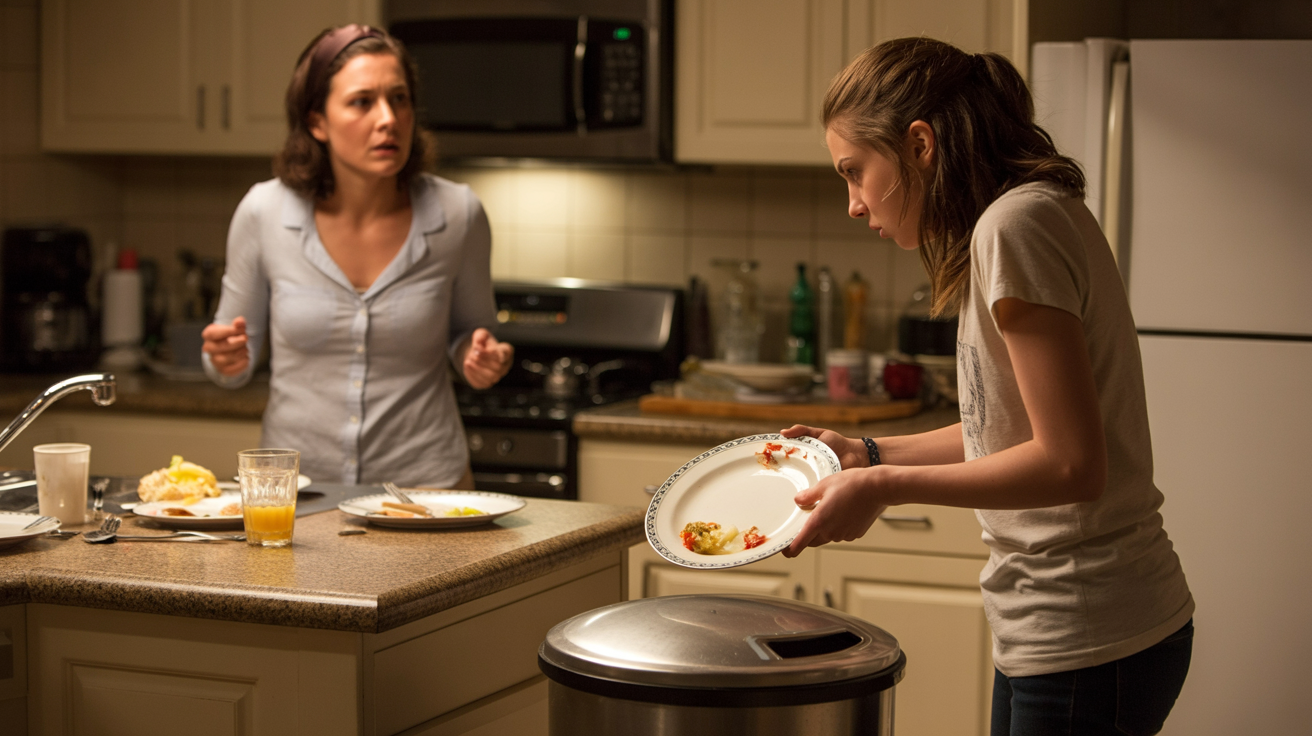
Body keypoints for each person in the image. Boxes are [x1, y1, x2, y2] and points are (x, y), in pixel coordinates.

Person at [784, 38, 1194, 735]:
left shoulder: (1015, 226)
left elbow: (1071, 464)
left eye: (855, 171)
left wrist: (884, 489)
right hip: (1069, 627)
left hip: (1086, 629)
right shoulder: (1016, 219)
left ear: (919, 144)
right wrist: (871, 454)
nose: (853, 203)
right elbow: (1005, 426)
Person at [202, 25, 513, 488]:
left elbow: (473, 333)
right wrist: (223, 359)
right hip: (296, 494)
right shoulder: (264, 212)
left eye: (400, 99)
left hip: (427, 490)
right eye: (362, 102)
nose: (388, 118)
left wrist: (482, 356)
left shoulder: (457, 214)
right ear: (317, 122)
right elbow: (230, 361)